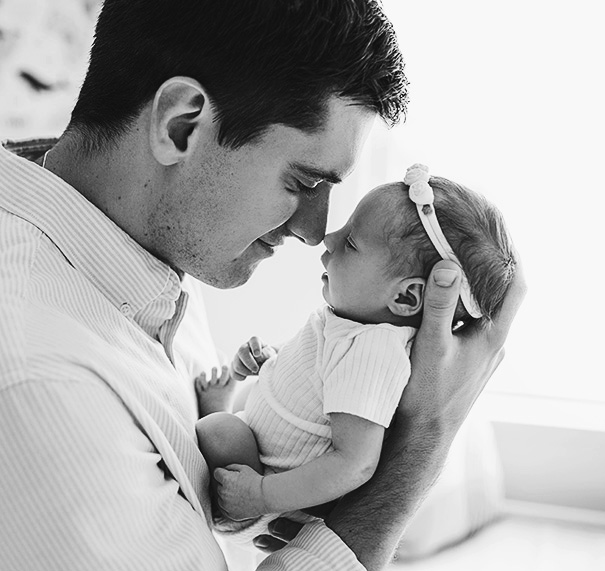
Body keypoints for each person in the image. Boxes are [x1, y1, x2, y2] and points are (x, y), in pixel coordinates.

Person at [0, 0, 526, 570]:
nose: (315, 231)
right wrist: (423, 442)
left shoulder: (145, 270)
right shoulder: (28, 383)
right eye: (302, 182)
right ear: (182, 125)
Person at [194, 166, 518, 534]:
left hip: (271, 486)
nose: (328, 237)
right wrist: (269, 362)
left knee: (219, 430)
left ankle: (220, 417)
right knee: (243, 404)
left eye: (350, 242)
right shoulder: (351, 324)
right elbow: (315, 382)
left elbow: (355, 462)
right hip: (267, 446)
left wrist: (262, 495)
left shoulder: (373, 351)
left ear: (406, 296)